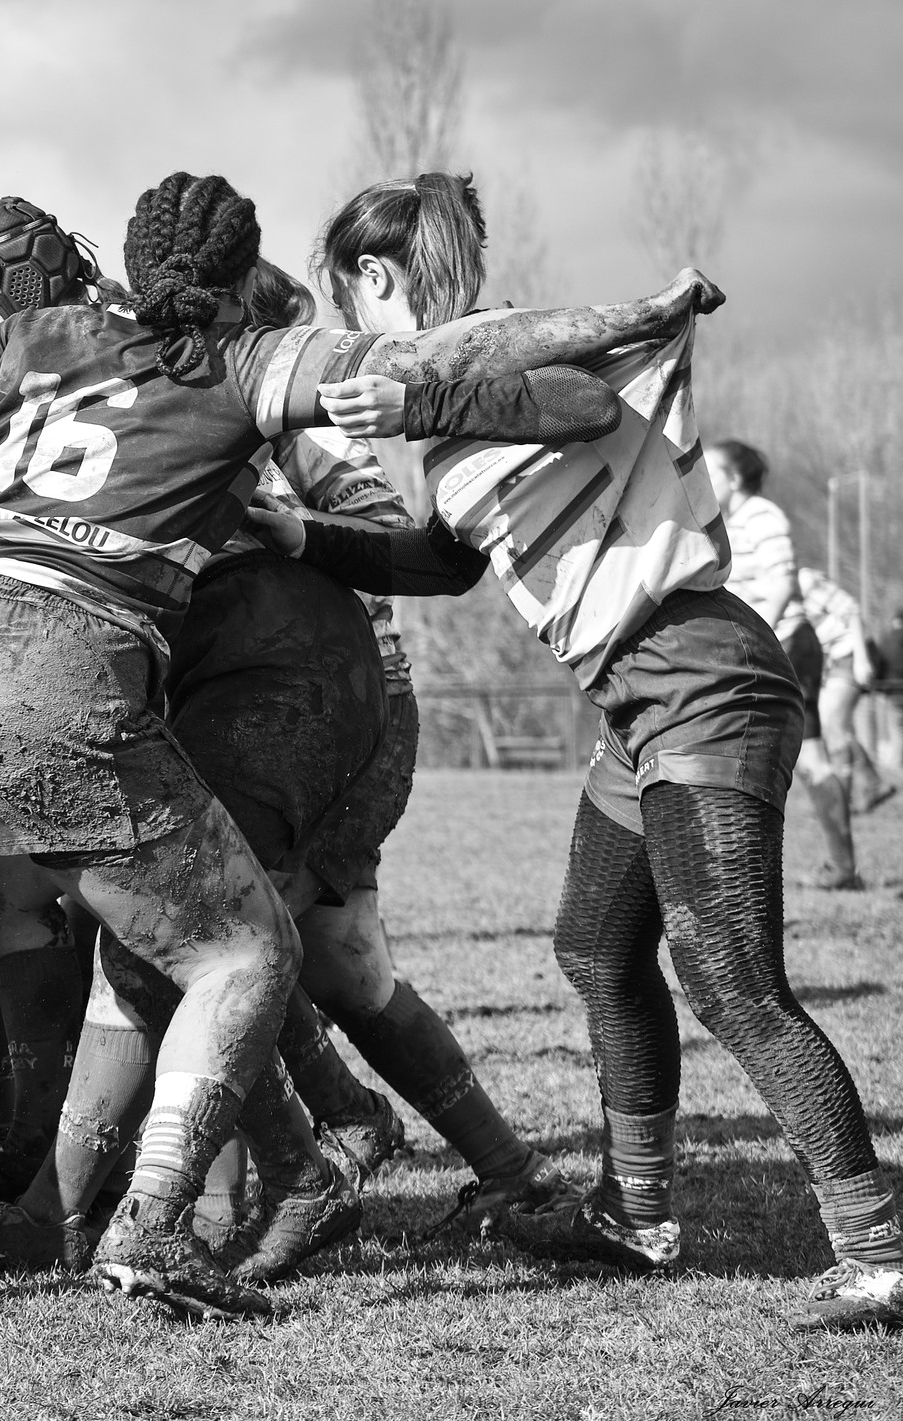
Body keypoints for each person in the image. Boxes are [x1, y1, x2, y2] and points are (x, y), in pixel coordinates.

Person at [0, 169, 727, 1323]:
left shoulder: (24, 337)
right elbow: (461, 357)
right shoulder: (250, 360)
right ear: (233, 275)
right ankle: (151, 1223)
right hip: (50, 671)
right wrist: (639, 314)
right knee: (246, 952)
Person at [250, 173, 903, 1332]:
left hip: (702, 674)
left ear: (370, 275)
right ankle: (634, 1214)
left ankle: (877, 1248)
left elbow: (576, 406)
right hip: (635, 699)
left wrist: (404, 407)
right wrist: (302, 535)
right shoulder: (448, 402)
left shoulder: (485, 364)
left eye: (342, 299)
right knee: (596, 947)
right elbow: (444, 561)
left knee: (727, 976)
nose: (346, 335)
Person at [707, 440, 860, 888]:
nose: (704, 478)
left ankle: (742, 871)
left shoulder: (763, 516)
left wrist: (754, 643)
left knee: (743, 754)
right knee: (808, 759)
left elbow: (783, 583)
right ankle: (843, 867)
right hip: (779, 646)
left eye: (712, 471)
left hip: (784, 646)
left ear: (734, 478)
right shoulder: (737, 521)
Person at [799, 566, 891, 815]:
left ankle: (841, 802)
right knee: (835, 728)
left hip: (850, 654)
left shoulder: (804, 581)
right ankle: (872, 783)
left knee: (833, 726)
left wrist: (861, 658)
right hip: (832, 662)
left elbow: (851, 610)